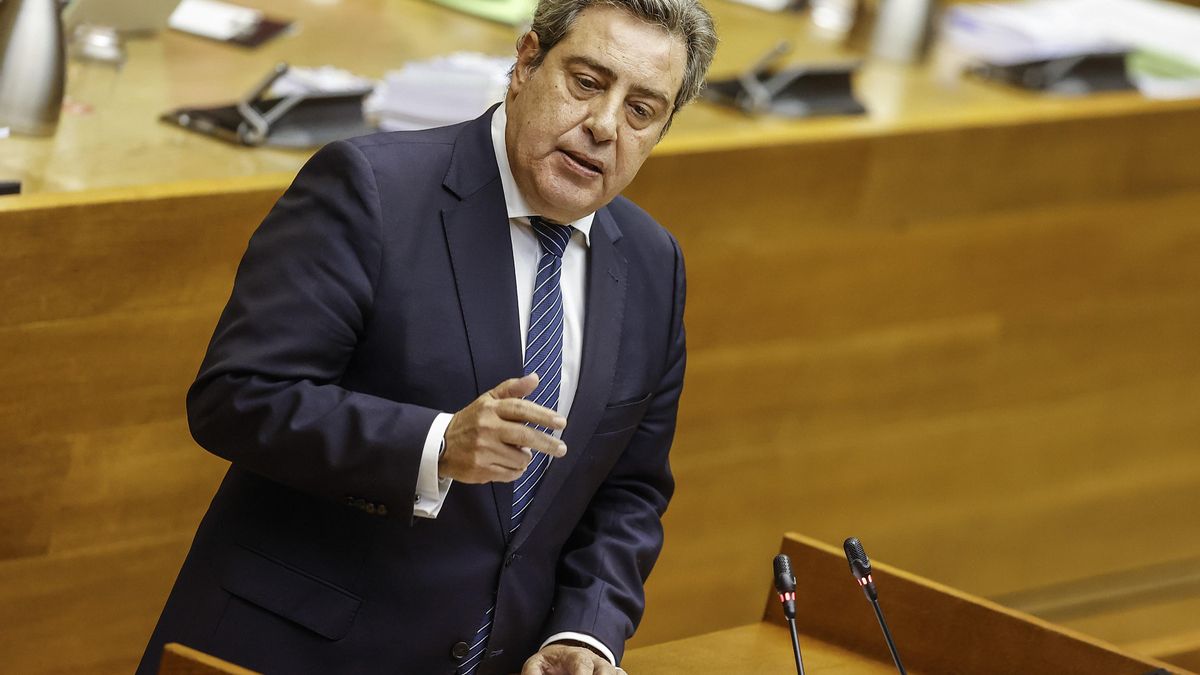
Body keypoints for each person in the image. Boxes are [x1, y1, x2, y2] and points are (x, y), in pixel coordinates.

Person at [137, 0, 716, 672]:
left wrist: (584, 631)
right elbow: (236, 396)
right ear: (526, 63)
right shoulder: (372, 190)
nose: (604, 125)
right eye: (587, 82)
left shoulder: (652, 263)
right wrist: (435, 445)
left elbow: (630, 491)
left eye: (641, 110)